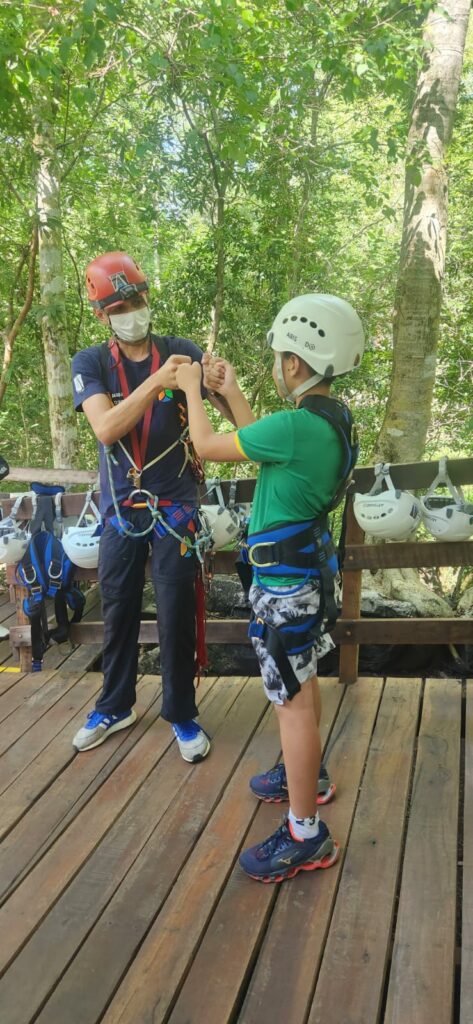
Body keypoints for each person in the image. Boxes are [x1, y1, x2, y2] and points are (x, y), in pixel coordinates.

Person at [175, 293, 364, 882]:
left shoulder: (298, 425)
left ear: (295, 362)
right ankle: (307, 774)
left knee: (291, 703)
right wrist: (228, 392)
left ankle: (306, 834)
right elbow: (264, 440)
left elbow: (208, 447)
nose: (278, 363)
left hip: (286, 587)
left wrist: (190, 390)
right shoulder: (325, 421)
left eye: (281, 355)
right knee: (301, 687)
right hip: (303, 578)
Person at [71, 251, 230, 761]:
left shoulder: (180, 350)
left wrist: (219, 384)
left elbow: (222, 412)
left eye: (138, 299)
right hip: (121, 506)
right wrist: (156, 383)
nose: (133, 309)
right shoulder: (91, 363)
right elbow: (105, 427)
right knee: (116, 608)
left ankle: (181, 712)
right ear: (102, 315)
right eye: (121, 304)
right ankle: (116, 704)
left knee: (176, 611)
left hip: (176, 507)